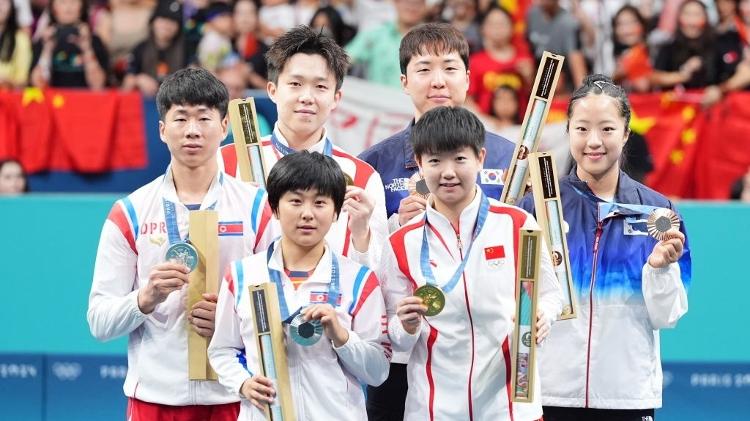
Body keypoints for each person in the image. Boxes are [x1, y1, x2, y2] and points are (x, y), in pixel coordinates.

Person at [87, 68, 275, 421]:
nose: (192, 130)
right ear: (162, 130)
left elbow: (281, 304)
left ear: (224, 128)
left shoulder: (257, 209)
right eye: (181, 118)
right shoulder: (130, 212)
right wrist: (144, 299)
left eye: (204, 118)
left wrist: (231, 317)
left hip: (238, 396)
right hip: (154, 401)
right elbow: (99, 322)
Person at [357, 23, 517, 420]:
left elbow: (533, 253)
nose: (438, 81)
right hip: (404, 348)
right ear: (404, 81)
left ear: (467, 76)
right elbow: (362, 257)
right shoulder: (375, 162)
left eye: (449, 67)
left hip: (491, 356)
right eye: (424, 69)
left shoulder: (510, 158)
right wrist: (397, 227)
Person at [518, 74, 691, 421]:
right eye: (582, 129)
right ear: (567, 131)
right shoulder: (536, 207)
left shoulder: (658, 212)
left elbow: (668, 316)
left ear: (626, 133)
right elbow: (517, 296)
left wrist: (659, 269)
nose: (593, 141)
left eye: (607, 129)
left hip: (626, 397)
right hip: (549, 392)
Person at [381, 106, 562, 420]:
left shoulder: (518, 224)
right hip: (433, 408)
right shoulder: (401, 242)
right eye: (435, 161)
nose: (448, 172)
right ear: (420, 165)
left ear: (480, 158)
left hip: (509, 404)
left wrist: (543, 314)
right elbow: (393, 334)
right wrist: (406, 325)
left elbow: (551, 293)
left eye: (459, 159)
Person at [208, 150, 391, 420]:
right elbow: (223, 350)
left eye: (319, 203)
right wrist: (242, 383)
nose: (307, 214)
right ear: (274, 208)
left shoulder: (360, 280)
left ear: (337, 211)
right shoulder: (242, 275)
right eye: (295, 201)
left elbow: (377, 372)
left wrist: (341, 337)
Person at [219, 25, 388, 271]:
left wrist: (361, 237)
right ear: (273, 91)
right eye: (296, 84)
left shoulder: (362, 178)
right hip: (246, 305)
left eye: (320, 87)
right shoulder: (226, 162)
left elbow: (379, 273)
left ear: (335, 98)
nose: (307, 97)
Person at [30, 0, 109, 89]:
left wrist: (87, 48)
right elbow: (38, 84)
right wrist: (47, 50)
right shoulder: (45, 40)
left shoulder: (94, 41)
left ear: (82, 7)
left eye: (73, 2)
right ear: (53, 8)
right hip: (54, 100)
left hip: (84, 99)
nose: (68, 8)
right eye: (63, 2)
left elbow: (98, 85)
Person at [121, 0, 185, 97]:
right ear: (153, 22)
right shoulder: (140, 49)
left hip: (177, 104)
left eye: (173, 21)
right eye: (163, 18)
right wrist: (138, 79)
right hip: (145, 105)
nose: (167, 25)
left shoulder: (187, 49)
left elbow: (197, 79)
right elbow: (126, 86)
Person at [0, 0, 32, 88]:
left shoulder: (20, 38)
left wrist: (8, 82)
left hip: (7, 97)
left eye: (3, 2)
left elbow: (23, 79)